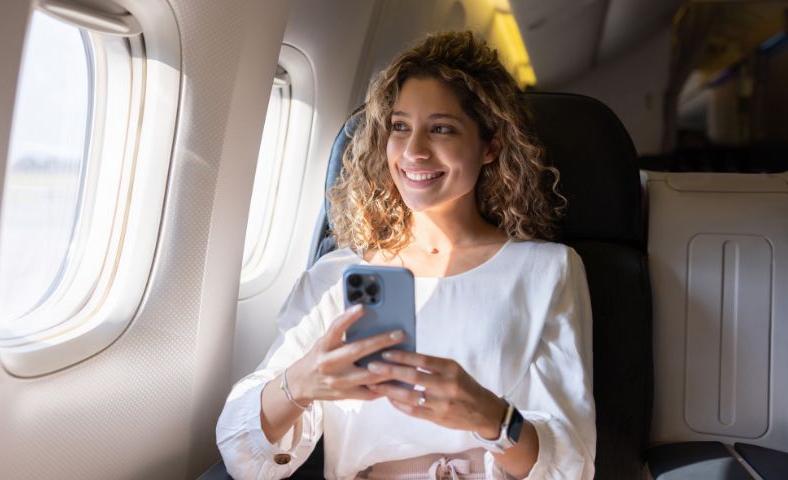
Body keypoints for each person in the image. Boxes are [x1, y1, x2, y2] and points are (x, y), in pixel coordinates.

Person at [217, 31, 595, 480]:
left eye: (441, 128)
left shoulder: (546, 271)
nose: (414, 151)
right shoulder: (339, 276)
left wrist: (490, 416)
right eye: (400, 127)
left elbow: (570, 465)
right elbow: (243, 457)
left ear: (490, 146)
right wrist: (300, 382)